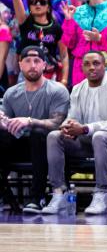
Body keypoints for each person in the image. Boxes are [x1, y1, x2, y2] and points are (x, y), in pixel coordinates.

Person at [42, 51, 107, 216]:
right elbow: (73, 117)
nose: (91, 67)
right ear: (82, 67)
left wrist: (85, 128)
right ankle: (59, 193)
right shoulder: (78, 89)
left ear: (104, 65)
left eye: (96, 63)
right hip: (86, 142)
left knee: (99, 136)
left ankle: (102, 193)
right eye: (87, 64)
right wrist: (68, 127)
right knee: (54, 137)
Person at [0, 47, 70, 213]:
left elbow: (58, 123)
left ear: (44, 65)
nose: (32, 65)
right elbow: (7, 123)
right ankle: (3, 194)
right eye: (28, 61)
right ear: (20, 64)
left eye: (37, 61)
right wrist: (2, 122)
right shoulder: (11, 93)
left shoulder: (57, 90)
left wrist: (30, 121)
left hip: (48, 148)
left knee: (38, 134)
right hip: (19, 146)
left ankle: (37, 197)